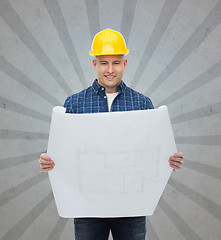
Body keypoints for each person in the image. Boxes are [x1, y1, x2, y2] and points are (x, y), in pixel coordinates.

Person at [39, 29, 184, 240]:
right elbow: (64, 152)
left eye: (116, 62)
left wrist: (169, 160)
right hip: (87, 207)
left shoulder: (142, 104)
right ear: (94, 64)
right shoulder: (75, 104)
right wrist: (49, 161)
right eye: (104, 62)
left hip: (131, 206)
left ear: (124, 64)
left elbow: (152, 153)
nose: (110, 69)